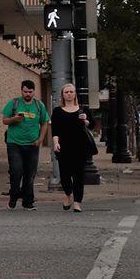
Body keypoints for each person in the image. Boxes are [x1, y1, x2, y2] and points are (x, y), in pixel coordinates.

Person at [3, 79, 49, 210]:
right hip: (14, 143)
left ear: (34, 91)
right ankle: (13, 196)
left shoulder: (39, 105)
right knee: (16, 171)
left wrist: (40, 139)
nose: (27, 94)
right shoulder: (14, 103)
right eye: (25, 91)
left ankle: (28, 201)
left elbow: (45, 123)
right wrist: (14, 119)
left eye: (30, 91)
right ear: (21, 91)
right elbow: (4, 120)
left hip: (33, 144)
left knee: (30, 174)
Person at [51, 83, 95, 212]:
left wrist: (86, 120)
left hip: (80, 146)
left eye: (71, 92)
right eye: (66, 92)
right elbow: (55, 130)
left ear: (75, 94)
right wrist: (55, 143)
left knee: (78, 176)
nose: (69, 94)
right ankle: (68, 194)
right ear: (63, 95)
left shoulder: (83, 110)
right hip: (64, 146)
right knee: (64, 175)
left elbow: (91, 125)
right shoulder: (58, 111)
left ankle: (77, 202)